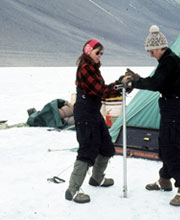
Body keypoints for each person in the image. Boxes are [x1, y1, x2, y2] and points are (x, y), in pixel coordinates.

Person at [122, 25, 180, 206]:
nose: (150, 55)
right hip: (172, 110)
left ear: (160, 47)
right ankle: (164, 180)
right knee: (165, 145)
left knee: (172, 149)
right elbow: (161, 82)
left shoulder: (170, 61)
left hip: (175, 111)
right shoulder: (167, 61)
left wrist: (135, 82)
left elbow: (156, 83)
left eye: (151, 51)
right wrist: (139, 79)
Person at [65, 39, 122, 204]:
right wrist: (120, 86)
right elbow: (101, 91)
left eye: (101, 53)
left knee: (106, 146)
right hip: (85, 114)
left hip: (93, 112)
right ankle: (72, 190)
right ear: (88, 52)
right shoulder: (86, 69)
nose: (100, 56)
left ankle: (97, 178)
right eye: (97, 52)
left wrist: (120, 85)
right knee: (87, 149)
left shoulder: (93, 68)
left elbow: (101, 89)